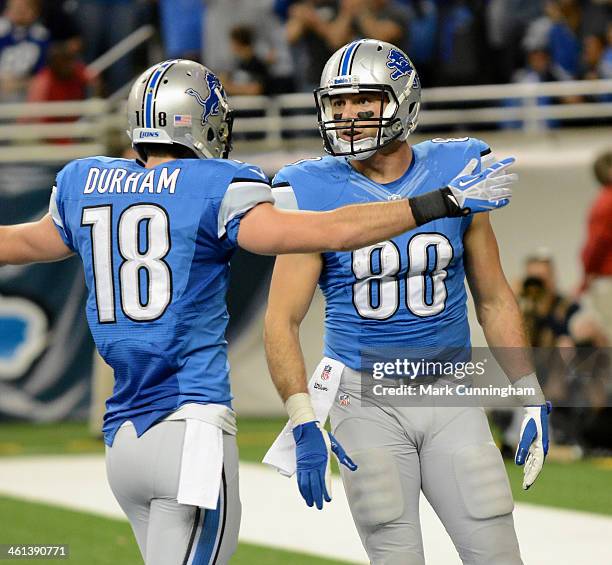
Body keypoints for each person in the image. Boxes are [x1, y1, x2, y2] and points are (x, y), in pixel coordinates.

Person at [0, 59, 515, 565]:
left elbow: (24, 241)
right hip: (190, 429)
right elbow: (328, 231)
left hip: (124, 440)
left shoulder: (83, 181)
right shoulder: (218, 185)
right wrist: (439, 203)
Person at [263, 39, 549, 565]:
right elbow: (281, 319)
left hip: (452, 392)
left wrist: (528, 391)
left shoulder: (459, 167)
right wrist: (303, 417)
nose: (346, 116)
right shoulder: (308, 187)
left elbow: (492, 296)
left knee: (497, 553)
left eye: (362, 102)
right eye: (337, 103)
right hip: (363, 400)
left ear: (403, 103)